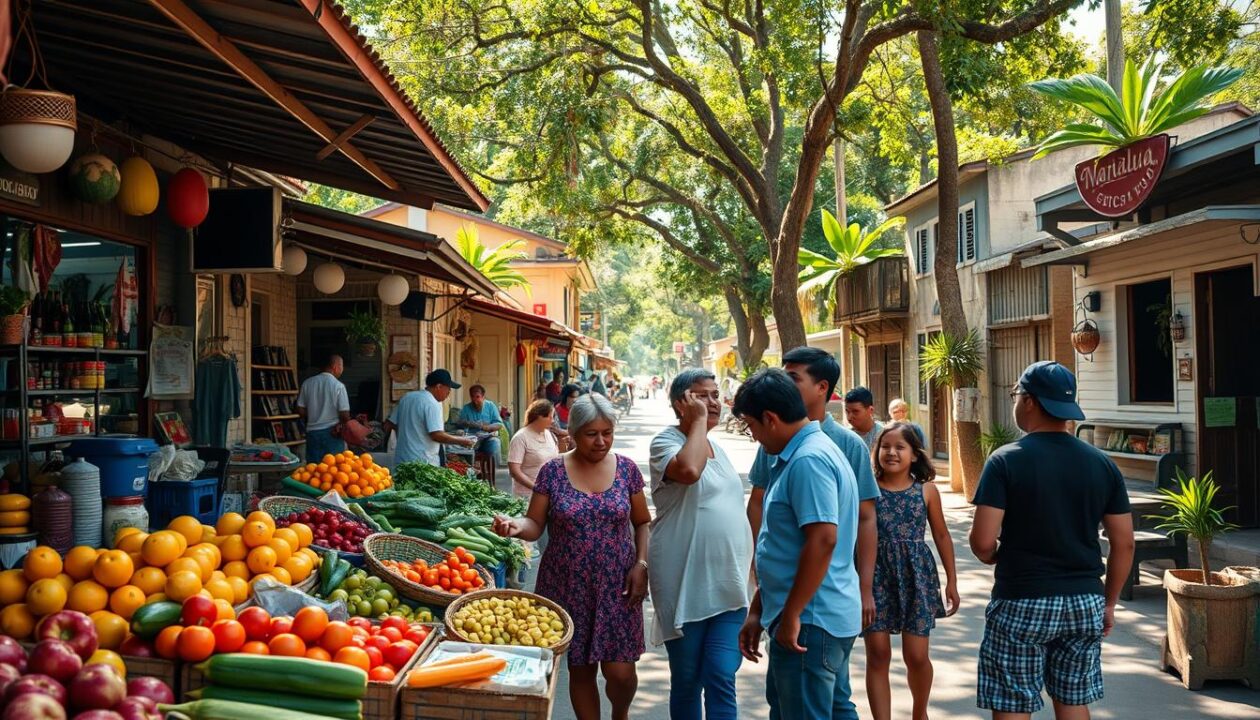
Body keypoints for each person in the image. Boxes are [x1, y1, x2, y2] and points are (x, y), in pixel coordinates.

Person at [970, 361, 1135, 720]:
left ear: (1029, 401)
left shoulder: (1005, 461)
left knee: (1013, 702)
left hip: (1022, 599)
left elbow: (983, 541)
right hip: (1084, 601)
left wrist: (997, 556)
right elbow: (1124, 544)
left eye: (1016, 395)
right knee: (1074, 701)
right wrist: (1108, 604)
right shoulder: (1102, 463)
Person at [493, 393, 650, 720]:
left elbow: (642, 522)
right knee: (580, 670)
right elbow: (535, 523)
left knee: (621, 673)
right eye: (592, 433)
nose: (601, 441)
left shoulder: (627, 470)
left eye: (607, 432)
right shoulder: (552, 472)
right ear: (574, 434)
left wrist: (641, 564)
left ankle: (620, 714)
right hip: (566, 584)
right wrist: (514, 527)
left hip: (618, 583)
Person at [735, 369, 861, 719]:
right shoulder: (805, 452)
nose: (754, 436)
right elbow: (785, 547)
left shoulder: (808, 460)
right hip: (812, 614)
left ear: (770, 419)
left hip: (811, 618)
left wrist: (791, 613)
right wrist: (760, 609)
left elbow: (822, 540)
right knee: (834, 709)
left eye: (751, 426)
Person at [746, 347, 880, 635]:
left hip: (816, 607)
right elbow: (758, 504)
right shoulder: (773, 438)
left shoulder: (835, 448)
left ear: (822, 388)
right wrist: (760, 567)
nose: (784, 384)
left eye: (793, 378)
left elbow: (859, 520)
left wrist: (864, 587)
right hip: (785, 596)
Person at [649, 369, 752, 720]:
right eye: (701, 395)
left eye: (715, 395)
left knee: (722, 673)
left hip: (730, 584)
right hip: (685, 585)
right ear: (681, 403)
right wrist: (695, 424)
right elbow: (690, 471)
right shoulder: (666, 442)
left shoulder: (719, 449)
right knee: (688, 679)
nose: (713, 402)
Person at [864, 422, 959, 720]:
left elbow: (942, 535)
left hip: (916, 576)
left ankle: (920, 713)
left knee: (916, 656)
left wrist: (952, 582)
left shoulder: (927, 491)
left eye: (900, 447)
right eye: (885, 446)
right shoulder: (867, 488)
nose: (891, 452)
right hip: (875, 576)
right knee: (878, 655)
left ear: (914, 455)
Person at [384, 369, 476, 465]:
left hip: (402, 460)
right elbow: (437, 435)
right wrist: (462, 441)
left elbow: (389, 424)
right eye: (448, 389)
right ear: (438, 386)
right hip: (423, 463)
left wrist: (409, 434)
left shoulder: (407, 397)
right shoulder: (431, 403)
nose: (449, 392)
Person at [297, 353, 351, 462]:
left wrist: (313, 413)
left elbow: (300, 410)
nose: (342, 369)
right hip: (332, 434)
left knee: (314, 470)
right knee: (333, 470)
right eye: (342, 366)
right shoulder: (338, 386)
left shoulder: (307, 383)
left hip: (312, 433)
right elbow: (344, 414)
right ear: (335, 366)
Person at [507, 399, 559, 499]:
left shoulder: (550, 435)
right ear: (539, 416)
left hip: (549, 493)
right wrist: (536, 488)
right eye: (550, 417)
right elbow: (514, 471)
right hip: (527, 495)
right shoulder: (520, 438)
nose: (552, 421)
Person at [457, 384, 504, 461]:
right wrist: (470, 424)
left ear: (483, 396)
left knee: (495, 443)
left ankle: (490, 468)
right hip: (471, 440)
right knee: (461, 448)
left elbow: (499, 424)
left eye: (477, 397)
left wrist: (486, 427)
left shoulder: (490, 406)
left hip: (487, 439)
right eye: (472, 397)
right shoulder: (466, 408)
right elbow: (460, 423)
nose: (475, 400)